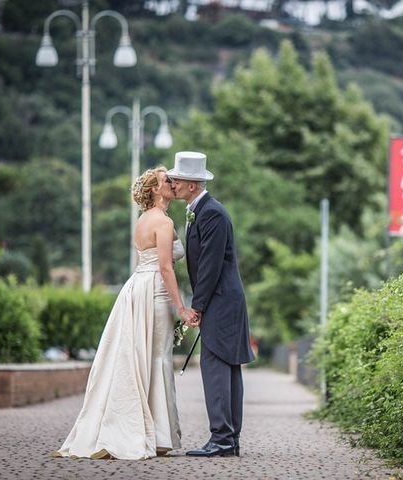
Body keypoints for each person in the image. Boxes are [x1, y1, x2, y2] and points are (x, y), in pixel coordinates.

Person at [54, 167, 191, 460]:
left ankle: (153, 431)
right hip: (154, 290)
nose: (173, 183)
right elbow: (165, 267)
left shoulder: (143, 220)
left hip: (135, 289)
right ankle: (158, 435)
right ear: (155, 189)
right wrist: (181, 307)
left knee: (141, 356)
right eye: (168, 180)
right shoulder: (163, 223)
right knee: (157, 357)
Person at [166, 151, 255, 458]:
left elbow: (211, 265)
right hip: (223, 300)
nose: (173, 183)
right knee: (224, 367)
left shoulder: (211, 213)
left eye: (177, 179)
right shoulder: (201, 210)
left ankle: (223, 439)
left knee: (217, 366)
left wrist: (197, 306)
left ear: (192, 184)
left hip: (221, 301)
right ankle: (228, 439)